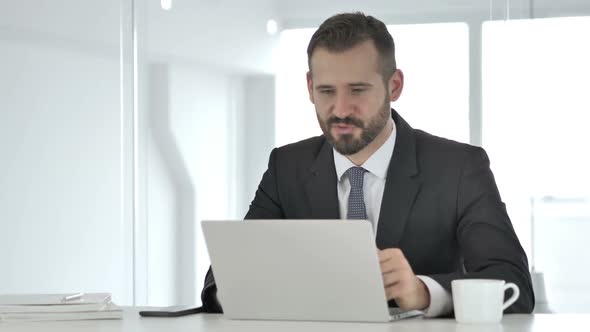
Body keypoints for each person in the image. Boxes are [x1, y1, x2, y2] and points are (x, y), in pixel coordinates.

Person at [201, 12, 534, 316]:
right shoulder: (286, 167)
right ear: (309, 87)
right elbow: (223, 280)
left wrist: (423, 292)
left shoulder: (459, 168)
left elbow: (512, 285)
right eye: (327, 91)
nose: (341, 108)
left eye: (357, 90)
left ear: (395, 86)